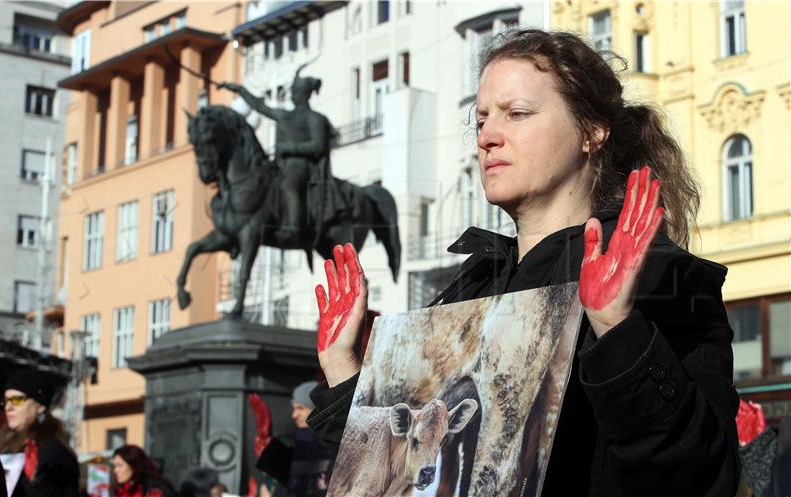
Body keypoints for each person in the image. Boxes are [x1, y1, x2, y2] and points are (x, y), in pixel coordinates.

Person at [307, 29, 740, 496]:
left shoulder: (662, 279)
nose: (488, 138)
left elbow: (699, 476)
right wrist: (342, 368)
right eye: (481, 121)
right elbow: (398, 472)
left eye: (517, 114)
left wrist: (619, 331)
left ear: (592, 131)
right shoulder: (466, 291)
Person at [218, 69, 349, 246]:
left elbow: (318, 145)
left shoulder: (315, 119)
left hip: (302, 167)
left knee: (289, 185)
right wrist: (240, 90)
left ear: (304, 94)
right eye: (292, 92)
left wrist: (291, 147)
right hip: (281, 165)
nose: (292, 95)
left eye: (295, 92)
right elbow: (260, 107)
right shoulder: (285, 115)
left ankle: (293, 228)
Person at [0, 369, 79, 497]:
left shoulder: (55, 451)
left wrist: (35, 481)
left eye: (17, 400)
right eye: (5, 401)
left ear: (40, 406)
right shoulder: (3, 446)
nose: (8, 407)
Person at [249, 382, 335, 497]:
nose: (294, 415)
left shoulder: (332, 445)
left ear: (317, 409)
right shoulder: (305, 441)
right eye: (294, 408)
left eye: (300, 408)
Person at [112, 445, 177, 497]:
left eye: (120, 466)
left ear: (134, 466)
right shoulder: (121, 490)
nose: (115, 470)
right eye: (115, 466)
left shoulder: (156, 490)